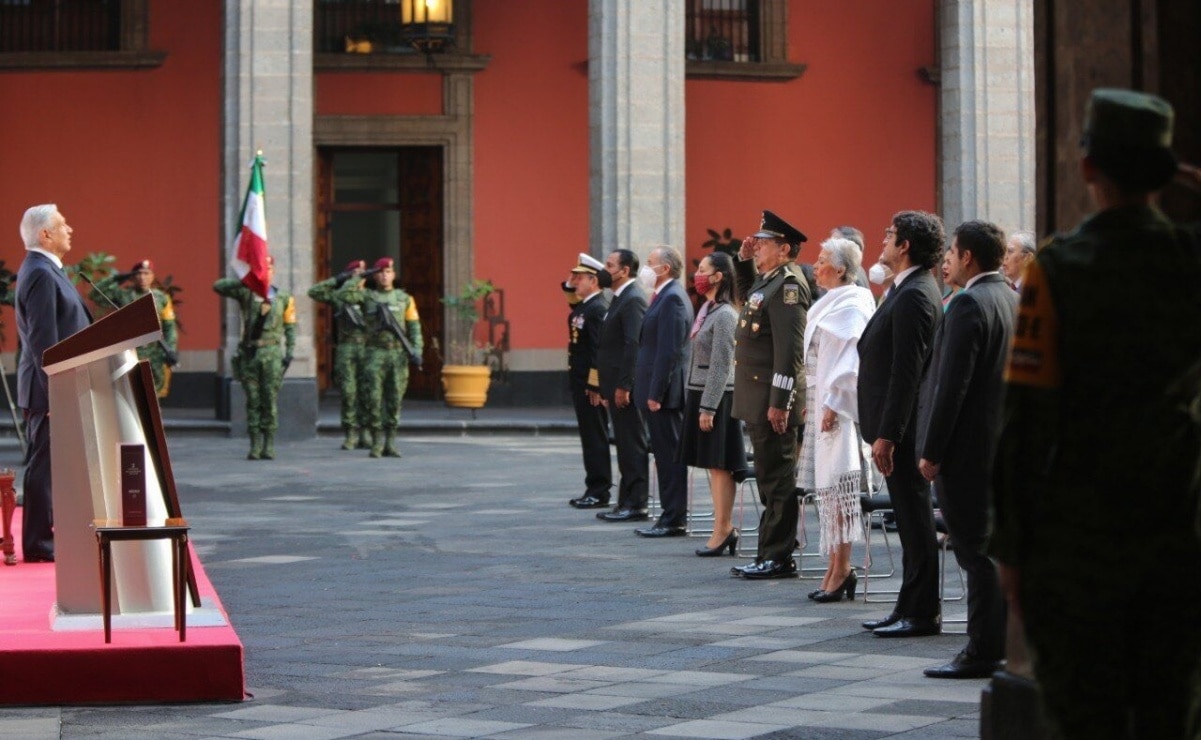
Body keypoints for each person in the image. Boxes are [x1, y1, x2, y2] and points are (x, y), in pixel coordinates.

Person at [990, 89, 1201, 738]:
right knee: (1168, 717)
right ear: (1166, 173)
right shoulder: (1188, 259)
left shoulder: (1057, 268)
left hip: (1074, 535)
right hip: (1174, 524)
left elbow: (1023, 420)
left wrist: (1011, 549)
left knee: (1084, 719)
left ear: (1085, 167)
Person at [914, 220, 1017, 678]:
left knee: (974, 550)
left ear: (969, 257)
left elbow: (950, 387)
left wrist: (931, 450)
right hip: (999, 445)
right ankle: (1001, 643)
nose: (946, 261)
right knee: (989, 548)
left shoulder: (970, 303)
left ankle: (981, 650)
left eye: (952, 253)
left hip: (967, 450)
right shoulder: (1010, 297)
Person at [856, 210, 944, 637]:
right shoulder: (904, 288)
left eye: (889, 235)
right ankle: (908, 604)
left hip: (905, 431)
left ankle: (922, 611)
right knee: (909, 519)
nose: (883, 241)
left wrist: (888, 434)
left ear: (905, 245)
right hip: (898, 427)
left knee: (914, 519)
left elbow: (906, 372)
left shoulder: (914, 294)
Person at [729, 210, 811, 580]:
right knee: (768, 478)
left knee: (778, 481)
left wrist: (780, 403)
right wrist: (743, 264)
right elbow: (746, 300)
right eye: (757, 243)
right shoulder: (770, 282)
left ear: (784, 249)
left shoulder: (790, 286)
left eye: (763, 244)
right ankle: (770, 550)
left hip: (771, 400)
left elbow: (789, 353)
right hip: (757, 397)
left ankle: (778, 556)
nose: (757, 248)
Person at [798, 236, 875, 602]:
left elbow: (851, 361)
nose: (816, 265)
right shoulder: (828, 301)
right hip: (820, 402)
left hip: (840, 409)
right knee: (825, 492)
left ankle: (842, 566)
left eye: (822, 259)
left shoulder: (855, 301)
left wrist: (831, 403)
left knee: (840, 490)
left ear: (841, 269)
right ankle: (834, 565)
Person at [15, 204, 92, 562]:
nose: (70, 229)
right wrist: (55, 397)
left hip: (58, 386)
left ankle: (46, 538)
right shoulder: (42, 274)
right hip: (49, 391)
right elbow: (43, 341)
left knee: (51, 466)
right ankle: (38, 544)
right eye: (63, 225)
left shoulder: (46, 270)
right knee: (43, 466)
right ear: (45, 234)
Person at [680, 252, 748, 556]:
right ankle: (721, 526)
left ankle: (723, 527)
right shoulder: (708, 309)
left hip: (717, 396)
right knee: (712, 465)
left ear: (719, 275)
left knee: (721, 466)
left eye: (703, 270)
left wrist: (708, 406)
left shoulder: (724, 315)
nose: (698, 274)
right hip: (701, 393)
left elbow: (722, 365)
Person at [632, 246, 693, 538]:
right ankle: (670, 515)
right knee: (664, 456)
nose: (646, 268)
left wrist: (655, 393)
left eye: (650, 263)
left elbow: (669, 352)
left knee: (669, 458)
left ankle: (674, 518)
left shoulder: (672, 299)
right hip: (658, 392)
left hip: (666, 396)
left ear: (665, 268)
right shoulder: (663, 297)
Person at [213, 255, 297, 460]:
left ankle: (268, 444)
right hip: (250, 354)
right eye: (260, 268)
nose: (264, 271)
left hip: (272, 354)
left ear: (273, 271)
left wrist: (290, 352)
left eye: (267, 268)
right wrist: (247, 278)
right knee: (253, 400)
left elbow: (290, 327)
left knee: (269, 399)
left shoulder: (283, 297)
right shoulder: (246, 292)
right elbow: (219, 286)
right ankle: (255, 444)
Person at [340, 257, 423, 459]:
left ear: (394, 275)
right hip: (374, 354)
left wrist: (417, 350)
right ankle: (376, 442)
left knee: (394, 399)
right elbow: (344, 295)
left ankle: (390, 442)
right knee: (374, 399)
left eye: (388, 272)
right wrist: (360, 276)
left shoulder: (405, 299)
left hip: (398, 354)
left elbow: (414, 328)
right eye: (380, 272)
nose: (384, 276)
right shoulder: (367, 296)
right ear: (374, 275)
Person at [589, 249, 650, 523]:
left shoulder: (633, 298)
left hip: (625, 387)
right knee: (624, 445)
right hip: (614, 384)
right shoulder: (619, 297)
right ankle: (625, 500)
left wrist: (625, 385)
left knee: (632, 444)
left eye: (610, 265)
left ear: (624, 270)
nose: (605, 269)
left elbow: (633, 344)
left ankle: (636, 504)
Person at [90, 259, 179, 397]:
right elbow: (95, 294)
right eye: (138, 273)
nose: (142, 277)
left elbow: (169, 327)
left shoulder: (161, 298)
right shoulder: (123, 295)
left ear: (152, 276)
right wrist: (116, 278)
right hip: (128, 351)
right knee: (130, 394)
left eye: (146, 273)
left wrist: (171, 350)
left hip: (154, 355)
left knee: (153, 397)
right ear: (132, 276)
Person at [566, 253, 613, 509]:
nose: (575, 282)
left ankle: (599, 489)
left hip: (589, 385)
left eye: (579, 277)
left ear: (593, 281)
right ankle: (593, 486)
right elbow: (570, 301)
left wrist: (595, 384)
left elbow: (598, 350)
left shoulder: (597, 308)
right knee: (589, 436)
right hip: (580, 382)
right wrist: (569, 282)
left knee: (595, 436)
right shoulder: (585, 305)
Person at [308, 259, 370, 450]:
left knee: (367, 392)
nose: (360, 276)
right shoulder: (340, 296)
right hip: (346, 349)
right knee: (349, 392)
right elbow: (314, 291)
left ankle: (365, 432)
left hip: (367, 349)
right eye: (356, 272)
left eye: (363, 272)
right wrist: (340, 279)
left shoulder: (370, 296)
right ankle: (350, 433)